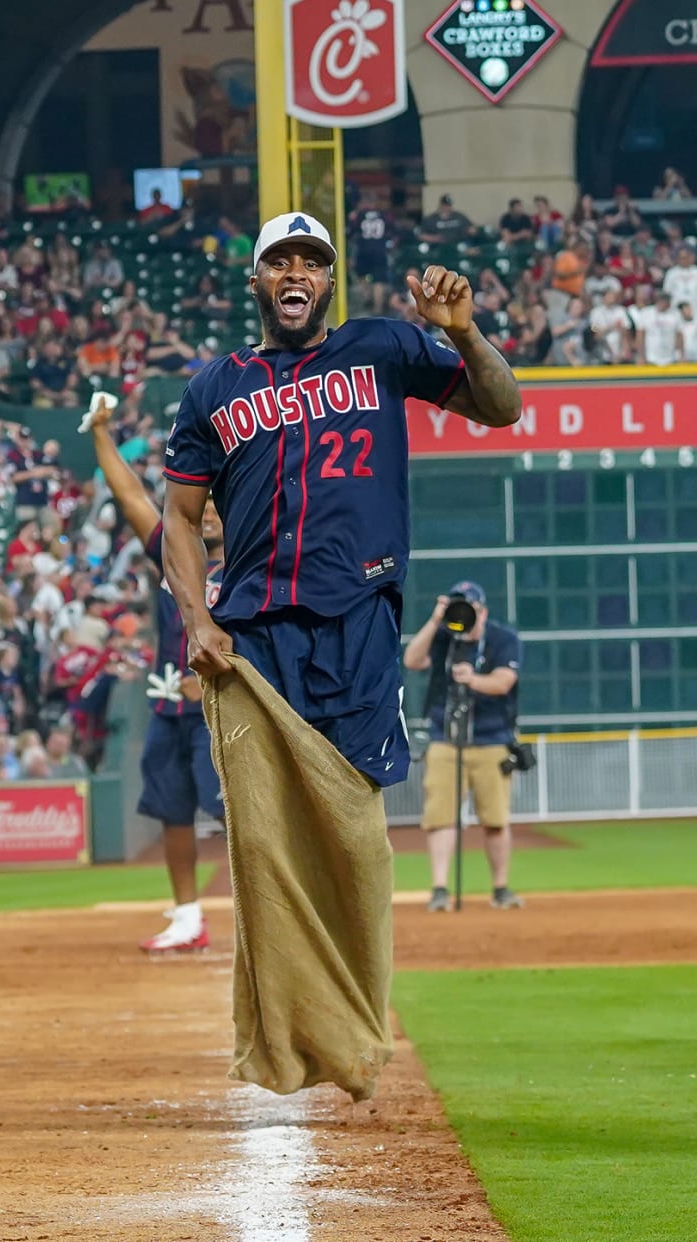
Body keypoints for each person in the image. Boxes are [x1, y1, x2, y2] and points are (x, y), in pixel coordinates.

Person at [159, 212, 519, 803]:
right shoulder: (214, 387)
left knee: (352, 798)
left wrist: (465, 334)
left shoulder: (381, 345)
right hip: (255, 624)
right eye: (279, 262)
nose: (296, 273)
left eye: (312, 263)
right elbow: (178, 515)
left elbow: (502, 407)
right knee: (263, 812)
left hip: (359, 610)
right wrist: (198, 620)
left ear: (330, 282)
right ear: (255, 282)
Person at [84, 398, 224, 952]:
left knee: (244, 819)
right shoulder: (174, 553)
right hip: (170, 707)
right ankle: (188, 915)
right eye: (203, 502)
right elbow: (129, 497)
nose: (208, 511)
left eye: (217, 503)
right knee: (172, 813)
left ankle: (271, 912)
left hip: (224, 713)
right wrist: (99, 432)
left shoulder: (251, 563)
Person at [401, 581, 522, 911]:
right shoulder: (444, 637)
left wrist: (473, 680)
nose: (464, 615)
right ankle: (439, 888)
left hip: (490, 738)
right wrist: (435, 619)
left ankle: (500, 888)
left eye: (470, 609)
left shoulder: (502, 639)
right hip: (445, 739)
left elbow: (503, 682)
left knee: (495, 819)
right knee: (440, 817)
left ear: (482, 611)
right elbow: (412, 660)